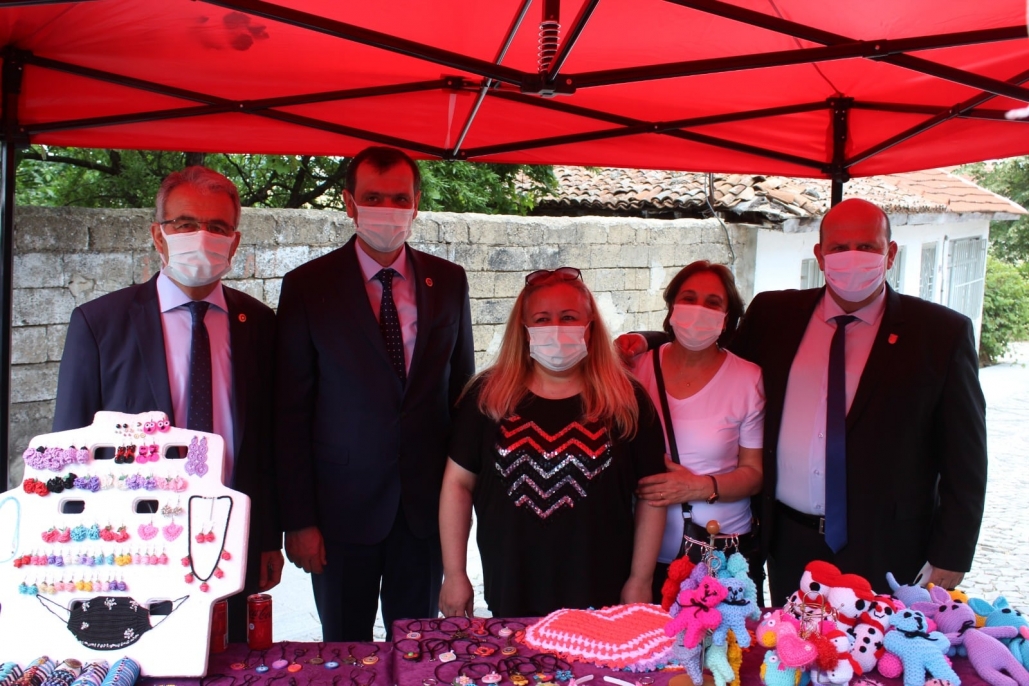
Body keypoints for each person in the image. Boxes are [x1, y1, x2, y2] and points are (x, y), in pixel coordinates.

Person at [621, 198, 987, 605]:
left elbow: (965, 457)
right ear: (820, 254)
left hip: (887, 546)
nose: (852, 257)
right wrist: (646, 341)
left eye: (867, 246)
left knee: (877, 644)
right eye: (839, 247)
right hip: (789, 541)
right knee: (785, 643)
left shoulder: (939, 334)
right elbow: (711, 350)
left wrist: (952, 552)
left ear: (890, 254)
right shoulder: (775, 314)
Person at [53, 166, 284, 641]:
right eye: (185, 223)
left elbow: (269, 443)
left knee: (233, 659)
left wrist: (268, 538)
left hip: (231, 538)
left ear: (234, 242)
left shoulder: (260, 325)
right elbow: (69, 449)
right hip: (131, 546)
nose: (201, 236)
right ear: (158, 234)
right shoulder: (99, 324)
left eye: (217, 226)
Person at [274, 146, 475, 641]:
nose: (387, 209)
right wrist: (298, 520)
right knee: (345, 652)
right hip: (340, 516)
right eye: (373, 198)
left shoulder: (449, 282)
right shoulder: (308, 286)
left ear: (416, 203)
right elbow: (289, 412)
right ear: (349, 203)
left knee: (420, 649)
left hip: (424, 514)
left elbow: (461, 396)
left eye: (399, 198)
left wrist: (463, 509)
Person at [438, 267, 667, 618]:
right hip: (511, 593)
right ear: (524, 328)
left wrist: (640, 578)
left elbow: (653, 496)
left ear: (590, 327)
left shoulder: (627, 401)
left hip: (603, 597)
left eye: (569, 317)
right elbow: (457, 484)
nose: (556, 329)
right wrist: (454, 574)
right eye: (542, 319)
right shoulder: (487, 397)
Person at [628, 261, 765, 604]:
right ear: (672, 306)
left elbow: (753, 474)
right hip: (642, 558)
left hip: (720, 556)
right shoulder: (635, 369)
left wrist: (698, 486)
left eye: (713, 303)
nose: (699, 309)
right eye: (689, 298)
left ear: (727, 317)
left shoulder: (748, 378)